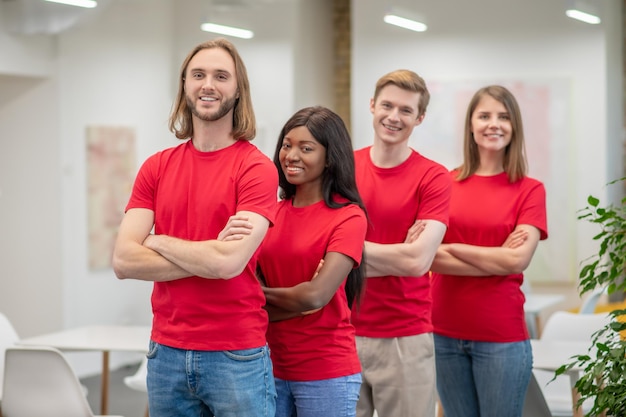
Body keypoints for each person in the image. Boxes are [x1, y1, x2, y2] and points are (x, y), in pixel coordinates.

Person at [111, 38, 278, 417]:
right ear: (184, 84)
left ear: (238, 90)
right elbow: (124, 260)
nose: (208, 85)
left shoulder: (255, 169)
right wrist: (210, 254)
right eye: (198, 74)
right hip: (165, 352)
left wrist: (156, 241)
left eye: (221, 76)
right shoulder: (157, 167)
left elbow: (227, 265)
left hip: (235, 354)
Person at [224, 106, 368, 417]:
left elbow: (316, 295)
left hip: (326, 372)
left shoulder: (348, 217)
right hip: (266, 366)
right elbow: (258, 297)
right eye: (287, 145)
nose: (291, 155)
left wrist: (259, 296)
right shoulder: (268, 213)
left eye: (306, 148)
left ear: (330, 157)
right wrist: (298, 299)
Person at [429, 85, 548, 417]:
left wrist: (451, 246)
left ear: (514, 127)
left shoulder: (530, 190)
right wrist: (496, 258)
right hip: (442, 332)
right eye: (484, 116)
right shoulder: (444, 183)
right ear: (471, 124)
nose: (493, 124)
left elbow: (517, 259)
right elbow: (428, 255)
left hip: (501, 336)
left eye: (504, 117)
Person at [351, 69, 452, 417]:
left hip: (404, 337)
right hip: (341, 332)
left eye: (406, 110)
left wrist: (346, 253)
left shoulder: (434, 177)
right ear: (372, 106)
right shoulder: (343, 167)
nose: (394, 117)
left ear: (419, 118)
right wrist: (396, 254)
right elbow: (317, 248)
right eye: (387, 106)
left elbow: (417, 261)